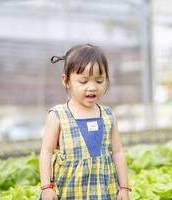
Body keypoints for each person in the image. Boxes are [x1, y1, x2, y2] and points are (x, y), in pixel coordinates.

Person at [39, 44, 131, 200]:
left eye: (99, 81)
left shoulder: (108, 115)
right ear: (66, 81)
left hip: (103, 192)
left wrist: (124, 187)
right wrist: (47, 187)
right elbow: (46, 152)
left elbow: (118, 152)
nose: (92, 87)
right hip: (68, 191)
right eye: (83, 81)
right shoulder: (58, 115)